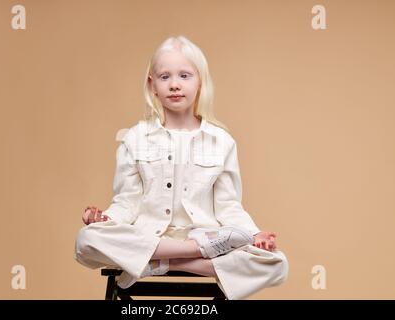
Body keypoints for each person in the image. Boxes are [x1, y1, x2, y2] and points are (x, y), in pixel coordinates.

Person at [74, 35, 289, 300]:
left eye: (185, 76)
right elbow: (126, 202)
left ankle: (159, 261)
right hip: (154, 236)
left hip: (205, 234)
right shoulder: (135, 138)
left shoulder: (221, 142)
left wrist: (255, 235)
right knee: (87, 240)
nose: (175, 85)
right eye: (165, 77)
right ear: (152, 85)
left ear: (200, 82)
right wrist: (105, 220)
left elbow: (229, 206)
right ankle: (192, 254)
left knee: (277, 263)